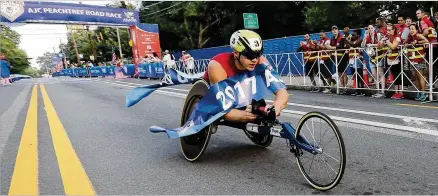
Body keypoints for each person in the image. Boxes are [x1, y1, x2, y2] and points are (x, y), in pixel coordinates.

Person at [203, 29, 289, 123]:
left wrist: (276, 107)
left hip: (241, 91)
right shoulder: (218, 65)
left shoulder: (260, 61)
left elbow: (281, 90)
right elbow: (221, 108)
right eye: (249, 55)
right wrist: (244, 115)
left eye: (258, 54)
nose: (254, 60)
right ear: (236, 53)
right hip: (212, 94)